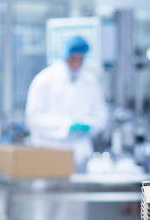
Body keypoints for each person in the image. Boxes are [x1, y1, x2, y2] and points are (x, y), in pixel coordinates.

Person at [25, 35, 108, 170]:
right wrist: (66, 125)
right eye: (73, 58)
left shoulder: (90, 81)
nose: (77, 63)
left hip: (81, 154)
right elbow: (33, 118)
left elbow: (101, 117)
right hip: (50, 151)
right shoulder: (44, 80)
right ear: (64, 56)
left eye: (80, 59)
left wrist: (89, 125)